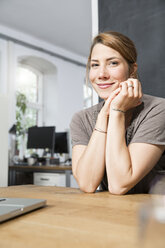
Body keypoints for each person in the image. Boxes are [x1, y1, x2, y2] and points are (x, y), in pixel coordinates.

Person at [70, 31, 165, 194]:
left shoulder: (159, 109)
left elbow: (119, 184)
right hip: (111, 214)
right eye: (95, 65)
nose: (101, 74)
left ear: (132, 69)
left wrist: (117, 111)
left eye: (113, 63)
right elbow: (87, 184)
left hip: (154, 213)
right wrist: (103, 118)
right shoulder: (81, 119)